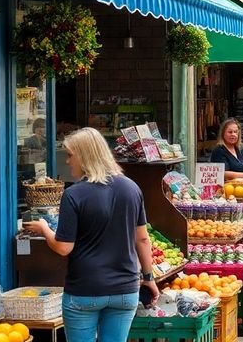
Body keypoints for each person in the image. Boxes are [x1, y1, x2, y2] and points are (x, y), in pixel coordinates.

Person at [23, 127, 158, 342]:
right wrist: (149, 278)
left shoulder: (74, 194)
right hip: (125, 290)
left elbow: (63, 247)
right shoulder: (131, 188)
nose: (67, 161)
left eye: (70, 155)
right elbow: (142, 239)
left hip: (85, 290)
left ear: (85, 155)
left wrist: (44, 229)